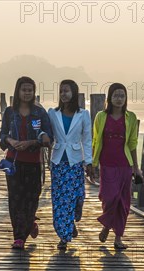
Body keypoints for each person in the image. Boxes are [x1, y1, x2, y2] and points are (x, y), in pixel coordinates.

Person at [0, 76, 51, 250]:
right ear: (18, 91)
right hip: (12, 162)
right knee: (15, 200)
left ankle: (29, 224)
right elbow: (2, 135)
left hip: (33, 163)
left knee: (31, 199)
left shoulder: (40, 113)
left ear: (34, 92)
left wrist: (31, 142)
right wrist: (11, 141)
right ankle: (19, 237)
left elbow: (48, 137)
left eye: (30, 90)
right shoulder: (9, 112)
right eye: (24, 90)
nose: (27, 93)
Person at [40, 80, 93, 250]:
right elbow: (46, 131)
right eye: (61, 91)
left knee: (77, 197)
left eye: (67, 91)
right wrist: (42, 135)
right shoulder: (52, 113)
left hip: (76, 161)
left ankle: (71, 220)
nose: (63, 94)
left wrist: (89, 162)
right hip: (58, 162)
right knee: (60, 200)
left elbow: (87, 139)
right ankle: (64, 235)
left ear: (74, 93)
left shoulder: (83, 114)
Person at [92, 83, 143, 250]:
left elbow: (133, 144)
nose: (119, 99)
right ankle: (107, 224)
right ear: (109, 98)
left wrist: (136, 167)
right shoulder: (100, 116)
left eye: (122, 95)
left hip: (125, 165)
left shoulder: (131, 117)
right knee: (109, 197)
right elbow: (96, 141)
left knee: (123, 202)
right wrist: (93, 163)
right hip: (106, 164)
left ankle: (118, 238)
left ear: (126, 98)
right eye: (116, 95)